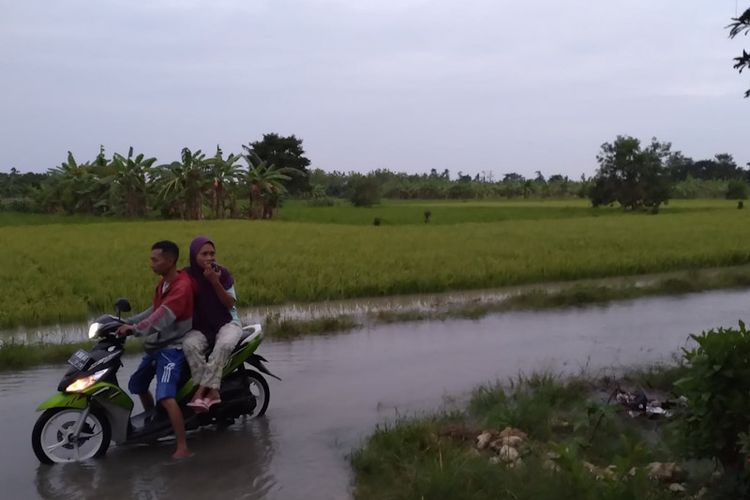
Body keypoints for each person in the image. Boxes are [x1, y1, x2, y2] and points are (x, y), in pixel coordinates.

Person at [116, 240, 194, 459]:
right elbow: (154, 310)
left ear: (169, 261)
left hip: (172, 347)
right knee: (138, 383)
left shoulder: (181, 287)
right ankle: (155, 424)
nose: (151, 264)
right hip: (157, 345)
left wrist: (133, 330)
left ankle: (182, 446)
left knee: (166, 396)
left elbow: (160, 318)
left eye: (154, 259)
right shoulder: (164, 284)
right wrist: (125, 322)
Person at [182, 236, 242, 412]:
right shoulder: (187, 276)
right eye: (204, 254)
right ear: (194, 256)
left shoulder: (222, 273)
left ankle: (200, 391)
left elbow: (230, 304)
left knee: (224, 344)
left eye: (212, 254)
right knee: (189, 344)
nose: (209, 258)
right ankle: (213, 390)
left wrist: (214, 282)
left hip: (228, 322)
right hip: (202, 327)